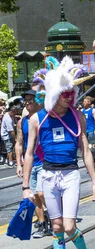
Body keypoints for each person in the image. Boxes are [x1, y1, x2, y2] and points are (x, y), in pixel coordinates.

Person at [22, 56, 95, 249]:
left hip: (69, 174)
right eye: (65, 92)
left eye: (72, 92)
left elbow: (85, 149)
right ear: (55, 93)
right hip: (47, 174)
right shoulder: (37, 119)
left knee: (68, 226)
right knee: (55, 225)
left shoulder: (78, 116)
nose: (70, 96)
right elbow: (28, 153)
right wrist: (26, 186)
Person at [15, 89, 51, 239]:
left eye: (31, 100)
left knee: (41, 193)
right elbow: (19, 143)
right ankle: (43, 224)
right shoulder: (22, 122)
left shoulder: (45, 118)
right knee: (33, 195)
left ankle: (52, 213)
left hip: (44, 162)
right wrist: (18, 164)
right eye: (26, 101)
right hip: (30, 163)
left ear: (38, 102)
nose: (28, 103)